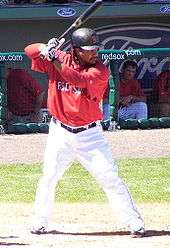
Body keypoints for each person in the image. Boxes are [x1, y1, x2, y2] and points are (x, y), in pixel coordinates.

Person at [25, 27, 145, 238]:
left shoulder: (100, 70)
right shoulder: (60, 57)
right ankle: (39, 220)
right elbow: (29, 50)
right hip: (59, 132)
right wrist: (45, 47)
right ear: (76, 50)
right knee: (49, 177)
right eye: (89, 49)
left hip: (90, 135)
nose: (94, 53)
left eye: (96, 48)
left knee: (109, 176)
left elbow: (75, 79)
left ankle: (133, 221)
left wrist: (53, 57)